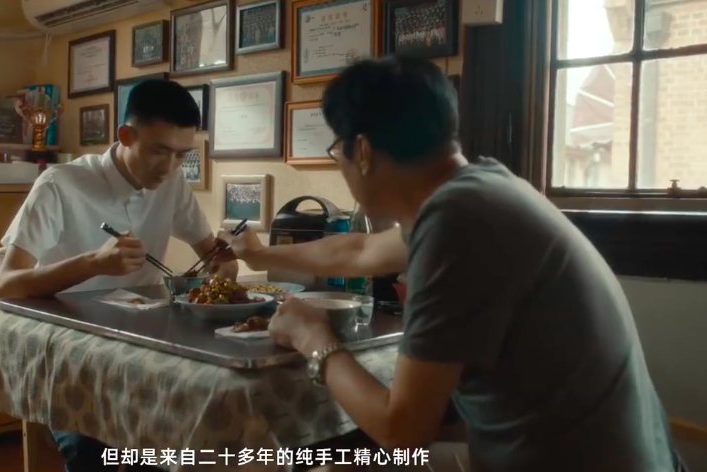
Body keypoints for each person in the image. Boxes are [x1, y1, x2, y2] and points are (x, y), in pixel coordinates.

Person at [216, 56, 684, 472]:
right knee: (333, 457)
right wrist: (259, 254)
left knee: (292, 460)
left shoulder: (456, 223)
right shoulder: (482, 190)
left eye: (338, 150)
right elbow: (359, 252)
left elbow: (402, 432)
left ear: (363, 151)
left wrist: (313, 339)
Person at [0, 79, 238, 472]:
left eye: (181, 155)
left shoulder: (172, 182)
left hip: (141, 346)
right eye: (158, 151)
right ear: (125, 136)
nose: (170, 167)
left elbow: (212, 253)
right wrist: (92, 263)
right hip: (71, 348)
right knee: (90, 451)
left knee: (188, 419)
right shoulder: (60, 184)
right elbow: (5, 286)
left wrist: (224, 263)